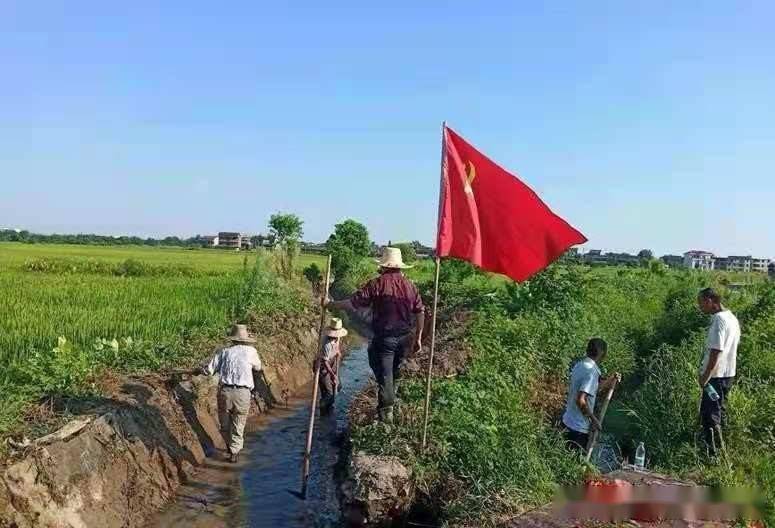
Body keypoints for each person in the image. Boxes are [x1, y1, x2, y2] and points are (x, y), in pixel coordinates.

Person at [327, 247, 425, 423]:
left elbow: (352, 304)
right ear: (399, 267)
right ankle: (389, 399)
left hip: (385, 338)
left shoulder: (377, 284)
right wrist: (418, 336)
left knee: (383, 371)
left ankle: (386, 413)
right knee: (393, 371)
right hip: (405, 337)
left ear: (384, 266)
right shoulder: (410, 287)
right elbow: (420, 311)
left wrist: (331, 304)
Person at [202, 324, 262, 463]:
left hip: (225, 392)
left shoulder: (224, 352)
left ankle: (230, 446)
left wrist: (200, 370)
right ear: (245, 338)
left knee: (225, 423)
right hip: (243, 393)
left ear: (233, 339)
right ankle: (234, 451)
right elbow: (258, 367)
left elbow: (209, 370)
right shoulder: (251, 351)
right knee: (238, 423)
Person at [696, 287, 740, 456]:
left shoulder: (719, 319)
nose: (700, 307)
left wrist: (705, 377)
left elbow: (716, 350)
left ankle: (714, 455)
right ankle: (718, 451)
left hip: (716, 376)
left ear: (710, 301)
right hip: (728, 374)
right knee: (719, 412)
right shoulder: (731, 317)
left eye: (701, 303)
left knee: (710, 416)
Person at [562, 338, 621, 453]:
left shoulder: (579, 365)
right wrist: (594, 420)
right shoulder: (591, 372)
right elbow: (580, 400)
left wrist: (611, 379)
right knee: (574, 465)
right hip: (578, 430)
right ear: (602, 353)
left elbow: (592, 389)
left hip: (567, 422)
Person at [318, 317, 348, 415]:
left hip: (332, 362)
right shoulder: (327, 344)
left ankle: (328, 405)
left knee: (338, 386)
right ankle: (323, 408)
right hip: (323, 366)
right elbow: (325, 361)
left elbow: (336, 349)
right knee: (328, 392)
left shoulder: (337, 338)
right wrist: (332, 374)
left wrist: (338, 353)